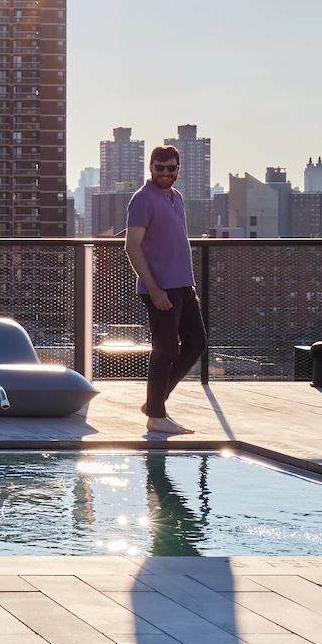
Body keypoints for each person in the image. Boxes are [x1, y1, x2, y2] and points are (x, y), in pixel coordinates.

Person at [124, 143, 205, 436]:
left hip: (183, 286)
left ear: (178, 170)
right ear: (151, 168)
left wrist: (189, 285)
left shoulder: (176, 198)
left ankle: (154, 403)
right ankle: (156, 416)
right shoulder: (142, 199)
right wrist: (155, 289)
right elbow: (132, 245)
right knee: (165, 350)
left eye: (172, 168)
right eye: (160, 168)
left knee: (197, 343)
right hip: (160, 289)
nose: (166, 173)